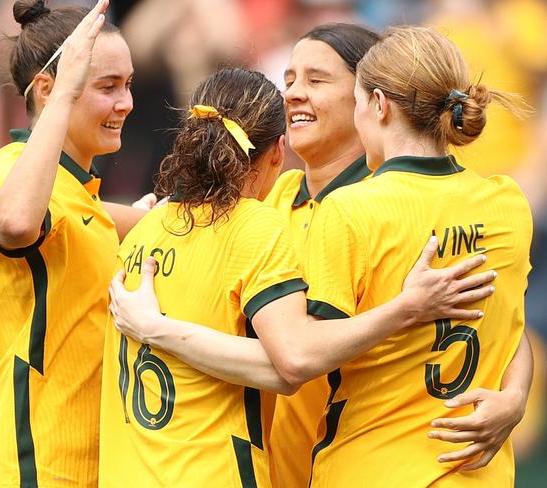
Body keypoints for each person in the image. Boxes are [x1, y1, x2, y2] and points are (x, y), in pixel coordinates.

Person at [110, 24, 533, 487]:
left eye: (316, 79)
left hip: (354, 463)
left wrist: (515, 395)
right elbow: (498, 306)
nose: (292, 93)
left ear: (369, 101)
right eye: (288, 79)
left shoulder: (353, 211)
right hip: (289, 467)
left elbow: (501, 316)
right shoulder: (267, 199)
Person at [0, 0, 135, 486]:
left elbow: (143, 218)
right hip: (29, 468)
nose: (126, 103)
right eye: (106, 86)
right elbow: (15, 223)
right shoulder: (9, 168)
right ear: (47, 88)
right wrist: (62, 97)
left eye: (128, 85)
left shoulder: (80, 197)